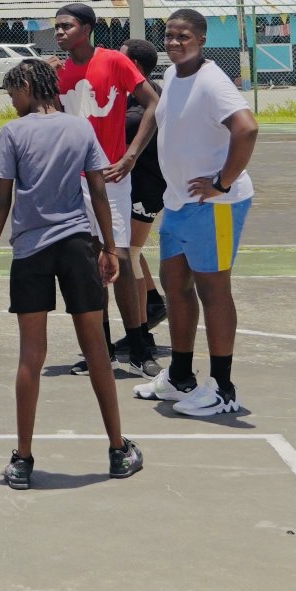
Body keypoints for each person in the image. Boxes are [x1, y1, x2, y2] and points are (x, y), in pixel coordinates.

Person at [0, 58, 142, 489]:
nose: (12, 101)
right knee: (95, 350)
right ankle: (117, 448)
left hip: (31, 251)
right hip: (76, 246)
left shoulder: (13, 133)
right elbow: (98, 191)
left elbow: (2, 199)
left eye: (13, 91)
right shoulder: (79, 128)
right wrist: (108, 247)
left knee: (31, 355)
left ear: (30, 85)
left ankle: (23, 458)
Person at [134, 9, 259, 419]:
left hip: (215, 205)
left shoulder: (211, 81)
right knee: (174, 283)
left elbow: (247, 128)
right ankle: (181, 375)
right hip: (179, 202)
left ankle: (223, 388)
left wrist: (222, 182)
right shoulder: (173, 75)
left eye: (182, 36)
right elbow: (159, 115)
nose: (173, 42)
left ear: (201, 39)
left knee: (213, 290)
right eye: (168, 35)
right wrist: (133, 152)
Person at [51, 2, 159, 377]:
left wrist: (131, 156)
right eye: (57, 27)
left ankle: (141, 347)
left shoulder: (114, 61)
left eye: (66, 26)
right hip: (72, 180)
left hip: (110, 177)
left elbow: (153, 105)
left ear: (87, 28)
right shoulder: (57, 71)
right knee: (89, 264)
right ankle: (101, 351)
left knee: (123, 259)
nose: (59, 32)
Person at [120, 38, 170, 356]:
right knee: (129, 252)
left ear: (134, 67)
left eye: (120, 61)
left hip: (145, 190)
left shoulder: (141, 109)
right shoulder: (139, 95)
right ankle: (151, 301)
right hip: (138, 188)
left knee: (129, 254)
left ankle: (140, 333)